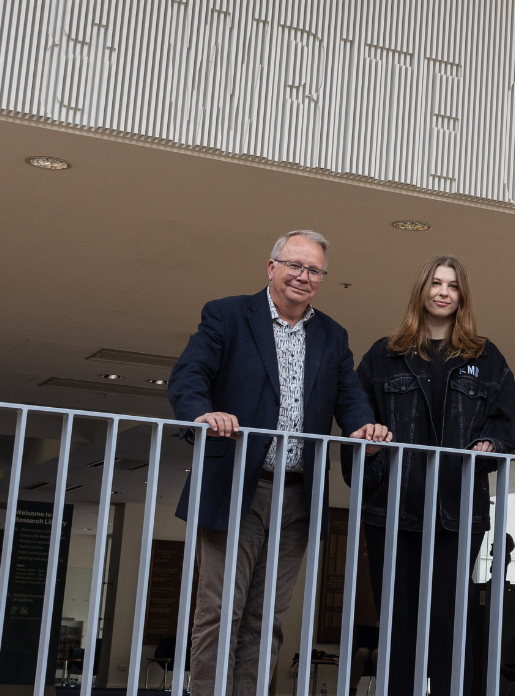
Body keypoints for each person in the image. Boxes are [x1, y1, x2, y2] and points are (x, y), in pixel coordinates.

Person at [168, 230, 392, 696]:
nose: (303, 276)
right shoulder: (228, 314)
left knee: (267, 616)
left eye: (314, 270)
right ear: (271, 267)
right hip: (235, 486)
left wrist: (364, 428)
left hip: (298, 495)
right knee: (221, 610)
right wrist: (201, 412)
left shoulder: (332, 334)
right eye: (295, 265)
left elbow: (349, 398)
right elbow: (190, 373)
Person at [349, 254, 515, 696]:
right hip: (391, 509)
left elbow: (504, 426)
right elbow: (357, 416)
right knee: (397, 619)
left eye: (453, 285)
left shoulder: (488, 356)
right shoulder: (384, 355)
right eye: (436, 283)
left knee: (449, 619)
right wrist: (367, 441)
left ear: (462, 296)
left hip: (458, 512)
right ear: (422, 291)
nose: (443, 292)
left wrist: (490, 446)